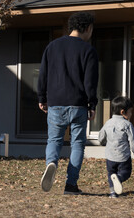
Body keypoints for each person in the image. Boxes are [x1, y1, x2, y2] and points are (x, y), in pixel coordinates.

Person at [37, 12, 99, 195]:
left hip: (55, 103)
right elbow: (90, 82)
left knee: (54, 140)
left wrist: (42, 97)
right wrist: (92, 104)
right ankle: (71, 185)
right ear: (87, 28)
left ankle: (51, 162)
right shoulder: (88, 50)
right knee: (78, 144)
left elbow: (43, 74)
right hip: (78, 105)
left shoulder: (52, 46)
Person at [98, 96, 134, 198]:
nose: (131, 114)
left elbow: (101, 137)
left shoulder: (108, 123)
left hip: (110, 156)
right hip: (123, 157)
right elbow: (133, 141)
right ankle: (119, 178)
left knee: (111, 174)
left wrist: (103, 143)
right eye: (130, 111)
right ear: (123, 112)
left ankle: (113, 192)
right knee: (125, 172)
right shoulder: (127, 124)